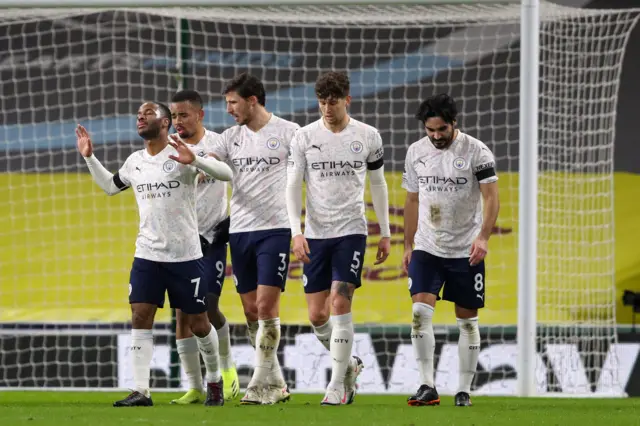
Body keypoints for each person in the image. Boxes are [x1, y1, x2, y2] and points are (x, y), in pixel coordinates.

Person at [76, 101, 233, 407]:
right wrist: (90, 157)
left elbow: (226, 173)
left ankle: (214, 380)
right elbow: (110, 186)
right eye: (138, 114)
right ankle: (141, 390)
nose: (140, 117)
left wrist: (197, 162)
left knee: (199, 323)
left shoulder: (181, 152)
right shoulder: (135, 161)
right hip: (147, 254)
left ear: (164, 123)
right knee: (140, 315)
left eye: (148, 114)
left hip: (185, 255)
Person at [286, 71, 391, 405]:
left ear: (347, 99)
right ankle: (351, 366)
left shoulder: (368, 136)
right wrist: (296, 232)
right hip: (315, 234)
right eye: (321, 101)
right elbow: (292, 186)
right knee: (317, 316)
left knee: (340, 302)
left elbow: (378, 184)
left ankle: (338, 385)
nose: (326, 108)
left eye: (333, 101)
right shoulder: (304, 137)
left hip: (351, 230)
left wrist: (386, 232)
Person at [401, 94, 500, 407]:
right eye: (430, 130)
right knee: (419, 313)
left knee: (467, 321)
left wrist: (483, 237)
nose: (436, 136)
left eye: (442, 129)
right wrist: (408, 243)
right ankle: (426, 385)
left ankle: (463, 390)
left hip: (465, 249)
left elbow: (491, 197)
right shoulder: (416, 152)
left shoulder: (476, 151)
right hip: (428, 247)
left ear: (453, 123)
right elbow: (412, 200)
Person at [209, 73, 300, 405]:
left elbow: (308, 176)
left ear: (252, 100)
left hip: (275, 230)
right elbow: (210, 160)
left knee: (266, 307)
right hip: (240, 231)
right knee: (250, 311)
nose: (229, 109)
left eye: (233, 102)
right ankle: (276, 383)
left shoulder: (290, 133)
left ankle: (258, 385)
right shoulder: (230, 137)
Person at [168, 90, 239, 404]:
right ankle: (195, 387)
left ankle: (226, 366)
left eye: (183, 114)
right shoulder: (166, 147)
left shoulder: (217, 144)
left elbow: (233, 176)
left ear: (200, 115)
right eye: (174, 116)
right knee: (182, 314)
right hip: (181, 241)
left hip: (212, 238)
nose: (178, 121)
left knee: (207, 307)